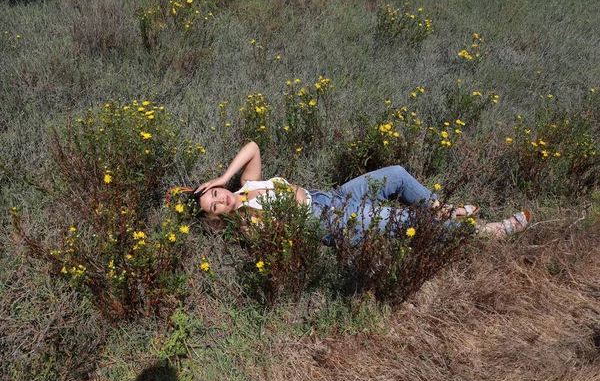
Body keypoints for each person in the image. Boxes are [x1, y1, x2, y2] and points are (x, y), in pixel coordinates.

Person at [193, 141, 531, 243]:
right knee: (405, 219)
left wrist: (224, 175)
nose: (220, 199)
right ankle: (489, 232)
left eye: (215, 193)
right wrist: (245, 214)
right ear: (217, 217)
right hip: (332, 221)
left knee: (396, 175)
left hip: (331, 196)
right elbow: (288, 228)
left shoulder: (247, 185)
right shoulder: (249, 224)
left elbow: (253, 146)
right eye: (215, 207)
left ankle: (444, 211)